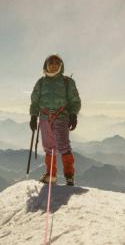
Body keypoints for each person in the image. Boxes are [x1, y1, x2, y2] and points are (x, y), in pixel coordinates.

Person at [29, 54, 81, 186]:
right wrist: (33, 116)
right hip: (45, 118)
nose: (53, 65)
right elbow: (35, 101)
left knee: (63, 146)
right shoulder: (40, 83)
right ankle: (51, 175)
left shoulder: (67, 82)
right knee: (49, 147)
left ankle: (69, 176)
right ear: (46, 66)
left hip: (62, 117)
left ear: (61, 66)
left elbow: (74, 100)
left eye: (56, 63)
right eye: (50, 63)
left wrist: (73, 115)